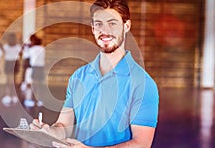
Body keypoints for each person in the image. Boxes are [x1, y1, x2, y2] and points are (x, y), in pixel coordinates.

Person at [30, 0, 159, 147]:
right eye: (99, 24)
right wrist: (50, 132)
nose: (105, 31)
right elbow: (63, 125)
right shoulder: (78, 77)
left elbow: (141, 144)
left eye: (112, 23)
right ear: (92, 28)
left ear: (126, 26)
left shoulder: (143, 84)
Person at [22, 34, 45, 107]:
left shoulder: (31, 49)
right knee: (39, 84)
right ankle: (39, 100)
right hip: (41, 68)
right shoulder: (42, 48)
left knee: (31, 85)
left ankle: (29, 99)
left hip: (34, 68)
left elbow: (26, 56)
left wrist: (25, 48)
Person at [1, 33, 22, 106]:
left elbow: (2, 49)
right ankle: (14, 97)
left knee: (8, 81)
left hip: (8, 63)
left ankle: (8, 96)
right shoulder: (18, 46)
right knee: (14, 81)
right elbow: (21, 53)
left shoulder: (6, 46)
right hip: (15, 63)